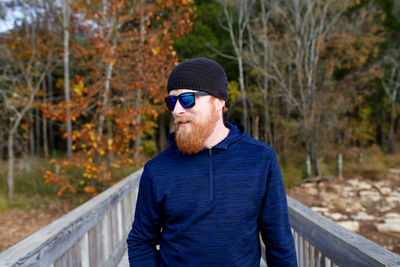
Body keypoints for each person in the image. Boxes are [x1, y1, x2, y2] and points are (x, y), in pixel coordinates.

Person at [127, 57, 297, 266]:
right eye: (172, 101)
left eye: (187, 99)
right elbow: (141, 240)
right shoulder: (157, 169)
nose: (177, 110)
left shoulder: (260, 159)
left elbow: (279, 241)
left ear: (219, 101)